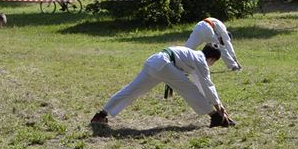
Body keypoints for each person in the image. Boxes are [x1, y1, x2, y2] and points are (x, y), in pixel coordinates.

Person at [91, 44, 235, 128]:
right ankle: (216, 118)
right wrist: (218, 107)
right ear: (211, 58)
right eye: (213, 62)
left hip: (153, 62)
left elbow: (202, 85)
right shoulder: (201, 60)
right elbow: (207, 85)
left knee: (132, 90)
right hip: (164, 64)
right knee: (189, 89)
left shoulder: (194, 56)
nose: (211, 64)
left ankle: (101, 114)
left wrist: (217, 103)